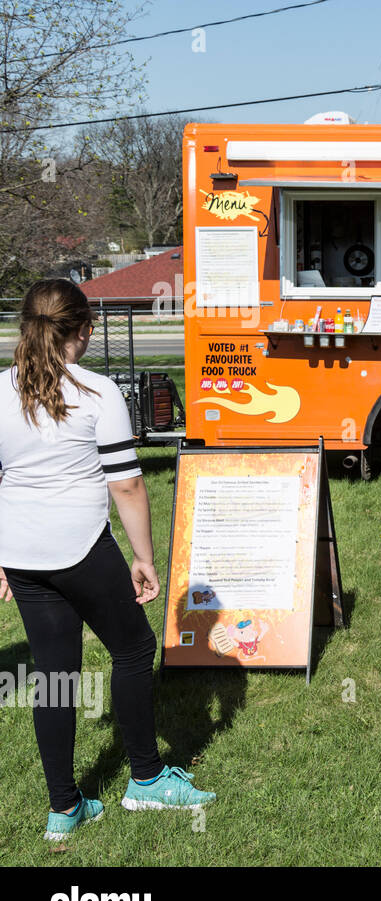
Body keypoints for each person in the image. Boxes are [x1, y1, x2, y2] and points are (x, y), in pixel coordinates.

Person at [0, 279, 216, 841]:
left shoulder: (0, 389)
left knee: (54, 673)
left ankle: (63, 809)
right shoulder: (98, 392)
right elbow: (127, 486)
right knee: (136, 647)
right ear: (83, 333)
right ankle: (145, 779)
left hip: (22, 555)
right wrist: (143, 559)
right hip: (80, 547)